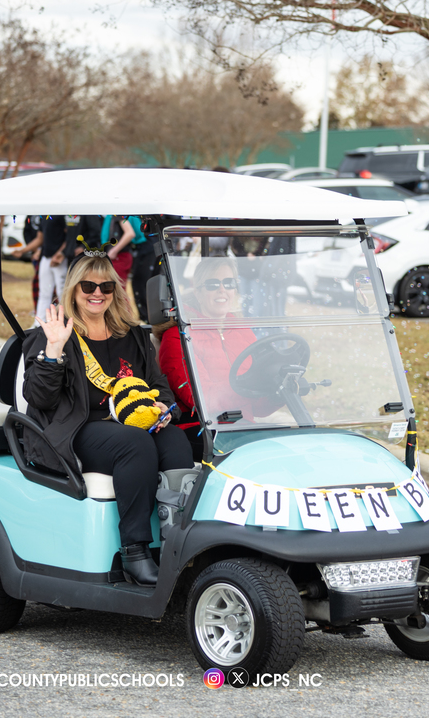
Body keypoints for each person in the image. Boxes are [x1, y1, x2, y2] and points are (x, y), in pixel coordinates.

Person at [22, 253, 193, 587]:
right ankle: (135, 551)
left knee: (175, 440)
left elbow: (162, 388)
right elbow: (39, 398)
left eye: (106, 286)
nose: (96, 292)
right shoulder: (55, 334)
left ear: (116, 290)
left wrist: (163, 409)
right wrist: (54, 350)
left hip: (131, 426)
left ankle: (177, 542)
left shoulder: (133, 336)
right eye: (88, 285)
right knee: (136, 444)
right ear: (73, 290)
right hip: (74, 430)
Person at [157, 256, 280, 460]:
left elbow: (256, 408)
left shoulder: (242, 331)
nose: (222, 290)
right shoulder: (178, 337)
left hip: (242, 426)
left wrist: (278, 392)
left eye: (229, 283)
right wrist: (252, 390)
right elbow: (201, 400)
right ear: (198, 291)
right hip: (202, 429)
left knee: (295, 448)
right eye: (213, 284)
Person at [34, 214, 80, 324]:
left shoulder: (62, 215)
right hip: (46, 256)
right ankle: (39, 322)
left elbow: (70, 235)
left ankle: (66, 320)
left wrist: (61, 253)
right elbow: (40, 238)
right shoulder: (44, 216)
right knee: (44, 292)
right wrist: (27, 250)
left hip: (59, 258)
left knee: (62, 292)